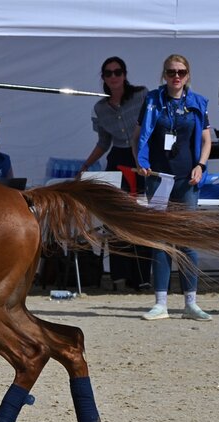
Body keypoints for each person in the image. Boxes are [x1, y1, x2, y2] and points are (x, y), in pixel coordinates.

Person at [133, 54, 212, 321]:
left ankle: (191, 302)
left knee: (188, 240)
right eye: (170, 72)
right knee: (160, 239)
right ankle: (161, 303)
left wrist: (200, 165)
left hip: (186, 180)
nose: (175, 76)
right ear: (163, 75)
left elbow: (206, 139)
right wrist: (140, 162)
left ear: (188, 75)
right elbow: (137, 137)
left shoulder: (197, 103)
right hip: (158, 179)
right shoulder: (152, 101)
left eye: (180, 72)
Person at [78, 56, 151, 291]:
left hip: (141, 160)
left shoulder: (142, 95)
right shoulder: (100, 107)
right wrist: (87, 165)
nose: (113, 77)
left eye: (117, 72)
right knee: (116, 219)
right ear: (103, 78)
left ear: (125, 74)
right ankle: (119, 276)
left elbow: (153, 127)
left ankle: (142, 277)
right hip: (117, 160)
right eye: (108, 73)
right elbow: (104, 141)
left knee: (142, 217)